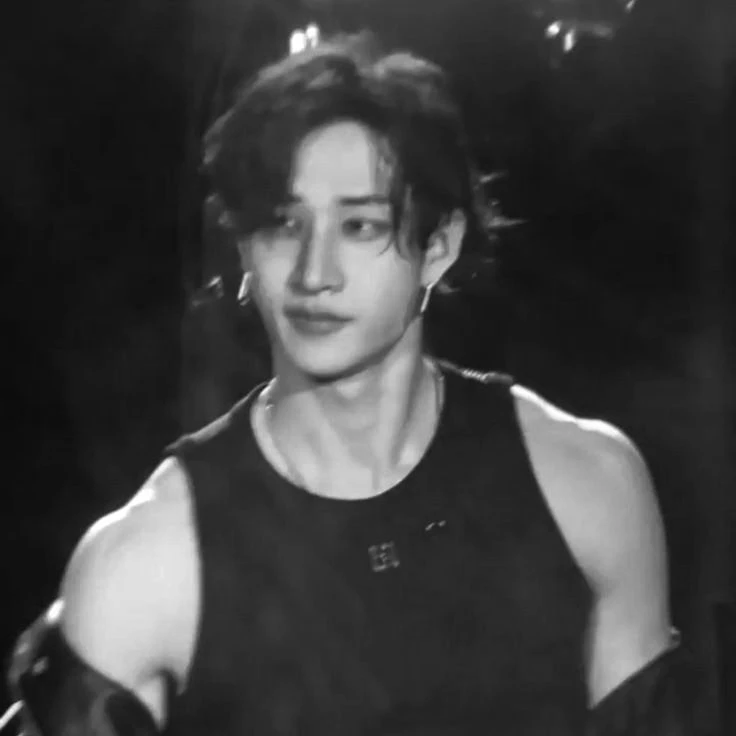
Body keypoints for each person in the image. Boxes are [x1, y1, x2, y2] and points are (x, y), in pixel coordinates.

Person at [7, 33, 700, 736]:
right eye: (283, 224)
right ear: (244, 247)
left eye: (360, 225)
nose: (315, 273)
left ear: (439, 246)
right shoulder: (141, 567)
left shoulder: (588, 486)